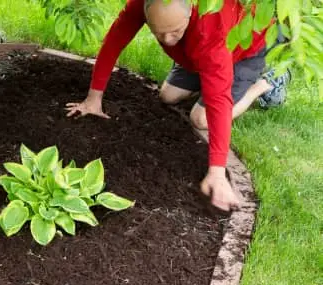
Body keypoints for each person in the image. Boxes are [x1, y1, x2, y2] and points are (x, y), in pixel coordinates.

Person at [65, 0, 290, 211]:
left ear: (190, 12)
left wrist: (217, 173)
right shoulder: (142, 5)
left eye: (175, 31)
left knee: (201, 119)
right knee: (168, 96)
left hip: (243, 50)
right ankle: (208, 73)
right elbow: (114, 41)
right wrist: (93, 99)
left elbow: (219, 102)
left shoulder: (210, 30)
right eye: (159, 33)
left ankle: (267, 83)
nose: (169, 40)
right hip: (195, 53)